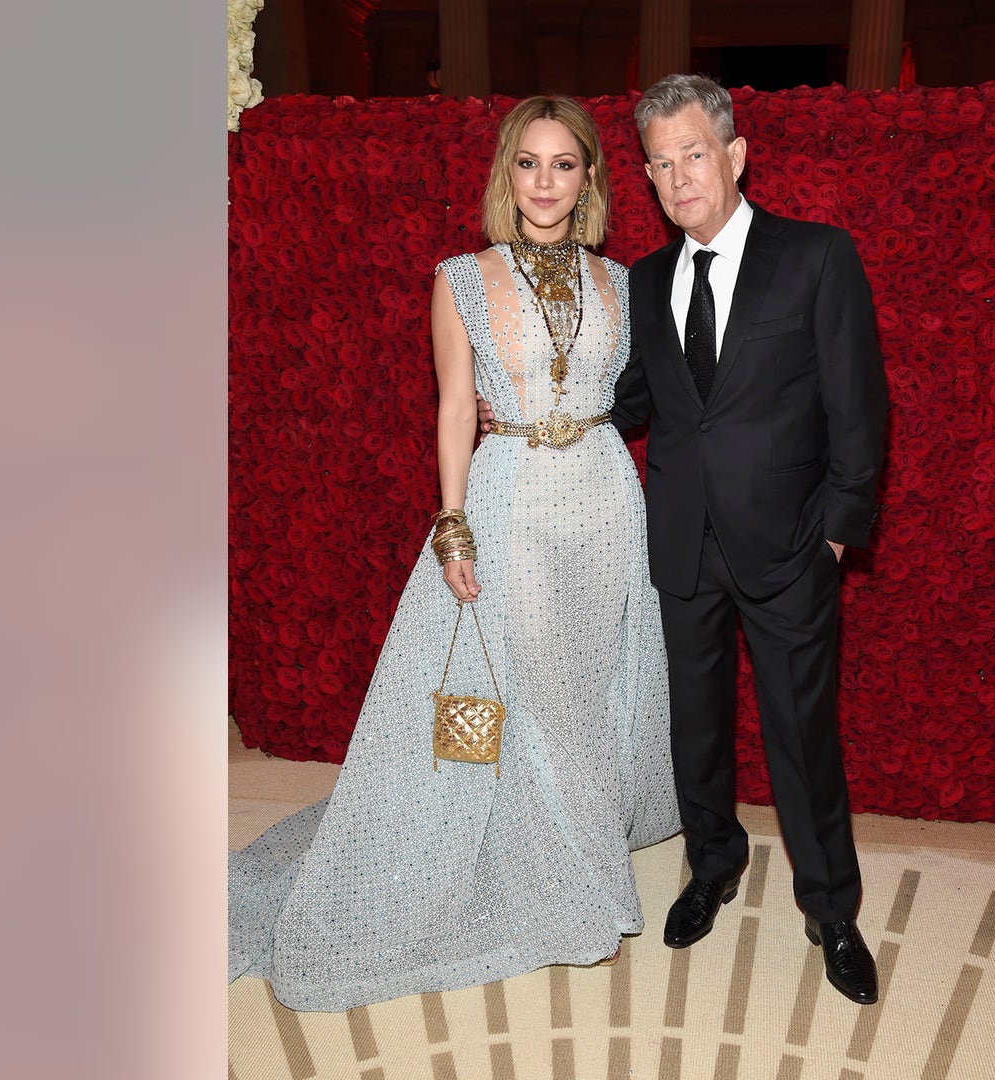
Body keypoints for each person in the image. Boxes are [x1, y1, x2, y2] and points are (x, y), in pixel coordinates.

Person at [229, 96, 679, 1012]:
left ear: (591, 178)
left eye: (565, 164)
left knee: (585, 695)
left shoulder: (623, 282)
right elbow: (450, 408)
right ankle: (580, 894)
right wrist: (452, 520)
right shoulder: (461, 279)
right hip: (512, 496)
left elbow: (638, 398)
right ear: (504, 174)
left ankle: (572, 861)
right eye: (529, 162)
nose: (546, 182)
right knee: (543, 699)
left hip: (603, 498)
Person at [486, 74, 890, 1003]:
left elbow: (858, 409)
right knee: (694, 729)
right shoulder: (644, 282)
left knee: (801, 735)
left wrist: (837, 535)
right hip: (679, 545)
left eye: (693, 155)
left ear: (736, 157)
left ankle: (832, 910)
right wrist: (531, 415)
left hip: (790, 545)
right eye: (660, 164)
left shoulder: (817, 258)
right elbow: (628, 401)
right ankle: (712, 864)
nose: (678, 179)